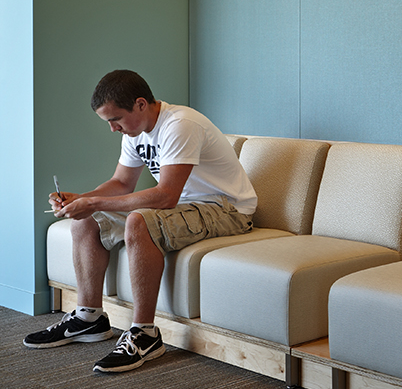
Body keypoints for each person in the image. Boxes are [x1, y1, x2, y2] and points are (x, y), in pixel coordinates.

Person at [23, 70, 257, 374]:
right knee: (86, 219)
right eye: (108, 121)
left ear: (141, 104)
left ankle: (145, 335)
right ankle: (88, 317)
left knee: (139, 222)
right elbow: (121, 183)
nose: (112, 128)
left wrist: (93, 201)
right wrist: (82, 200)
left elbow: (166, 196)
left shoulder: (180, 124)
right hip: (186, 207)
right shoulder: (135, 132)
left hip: (227, 209)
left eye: (116, 119)